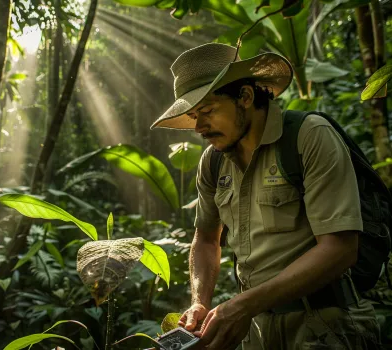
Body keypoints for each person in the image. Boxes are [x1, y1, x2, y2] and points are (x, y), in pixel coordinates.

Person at [150, 43, 381, 350]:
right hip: (256, 331)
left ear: (245, 97)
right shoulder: (213, 161)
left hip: (326, 326)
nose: (198, 127)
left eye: (207, 111)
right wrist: (199, 303)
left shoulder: (309, 136)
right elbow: (206, 239)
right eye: (193, 115)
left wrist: (244, 305)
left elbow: (340, 249)